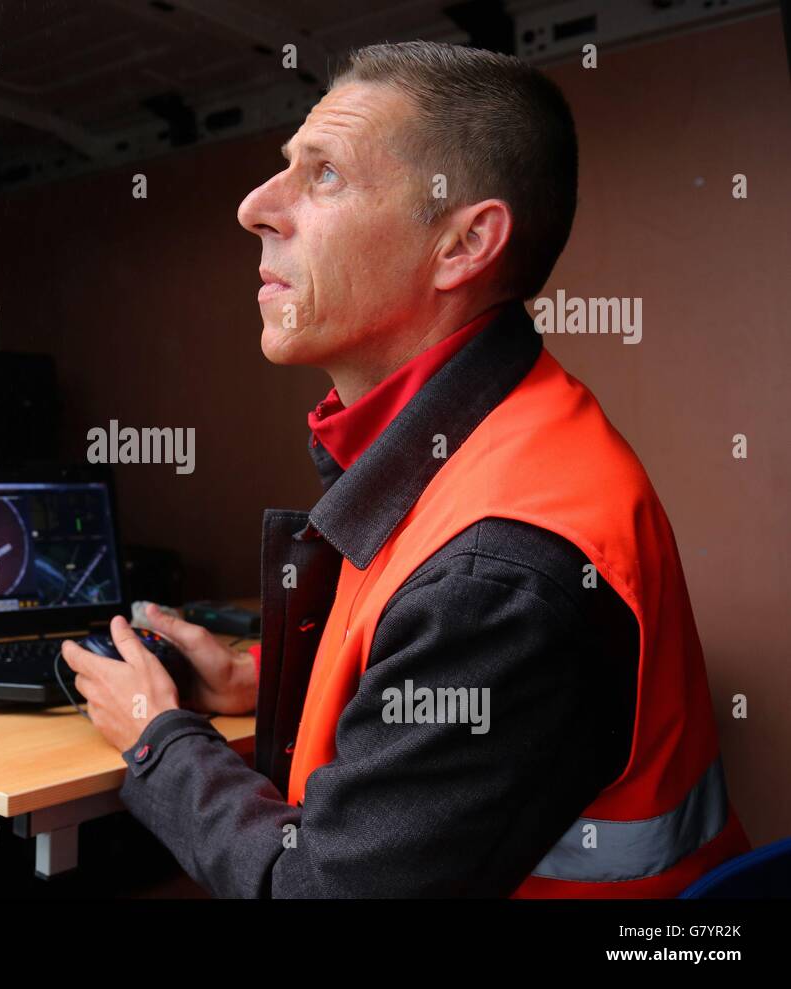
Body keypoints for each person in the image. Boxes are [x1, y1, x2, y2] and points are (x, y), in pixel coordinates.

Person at [60, 40, 749, 897]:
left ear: (464, 244)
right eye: (285, 168)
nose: (254, 208)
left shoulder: (500, 569)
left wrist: (154, 735)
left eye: (324, 176)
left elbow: (316, 890)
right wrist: (265, 680)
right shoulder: (482, 439)